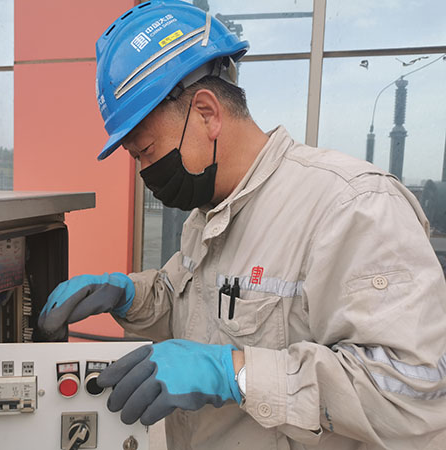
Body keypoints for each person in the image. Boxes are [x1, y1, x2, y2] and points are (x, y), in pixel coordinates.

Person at [38, 1, 446, 449]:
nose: (144, 171)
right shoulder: (209, 213)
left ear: (207, 113)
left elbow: (412, 393)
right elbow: (190, 306)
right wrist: (129, 295)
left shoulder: (352, 206)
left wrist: (234, 373)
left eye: (145, 151)